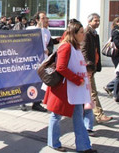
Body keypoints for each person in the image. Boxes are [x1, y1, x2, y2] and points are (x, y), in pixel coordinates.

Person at [44, 19, 96, 153]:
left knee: (78, 116)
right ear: (74, 33)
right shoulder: (66, 46)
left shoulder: (76, 46)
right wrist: (77, 79)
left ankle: (84, 146)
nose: (83, 35)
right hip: (63, 89)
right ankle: (53, 142)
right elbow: (61, 67)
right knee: (56, 116)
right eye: (81, 32)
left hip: (74, 89)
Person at [80, 13, 113, 127]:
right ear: (89, 21)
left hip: (92, 67)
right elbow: (83, 50)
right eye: (95, 20)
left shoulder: (94, 34)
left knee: (90, 92)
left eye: (99, 20)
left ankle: (90, 114)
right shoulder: (86, 33)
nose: (97, 22)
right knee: (92, 92)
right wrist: (88, 65)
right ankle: (99, 115)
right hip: (87, 68)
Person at [104, 17, 119, 98]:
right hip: (117, 55)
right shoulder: (116, 31)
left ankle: (110, 87)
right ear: (117, 22)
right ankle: (116, 94)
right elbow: (117, 43)